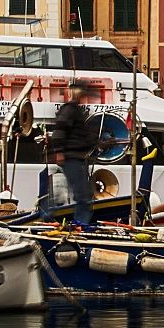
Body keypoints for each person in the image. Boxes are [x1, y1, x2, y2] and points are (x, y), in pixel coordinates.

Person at [50, 84, 100, 224]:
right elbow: (59, 131)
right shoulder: (70, 110)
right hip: (72, 157)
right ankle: (80, 224)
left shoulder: (75, 110)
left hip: (75, 157)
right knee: (83, 195)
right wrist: (59, 152)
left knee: (83, 194)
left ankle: (75, 222)